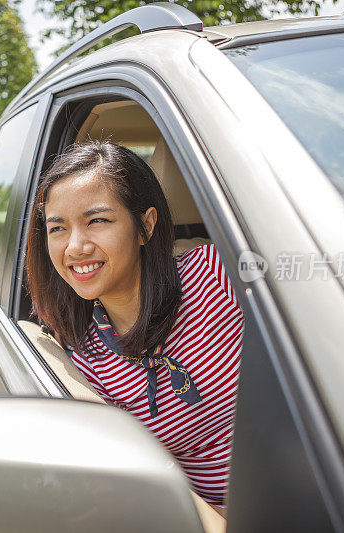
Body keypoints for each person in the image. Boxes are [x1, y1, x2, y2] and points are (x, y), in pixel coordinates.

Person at [24, 140, 244, 516]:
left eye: (97, 221)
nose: (75, 247)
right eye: (57, 228)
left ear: (145, 226)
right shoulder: (85, 358)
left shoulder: (217, 274)